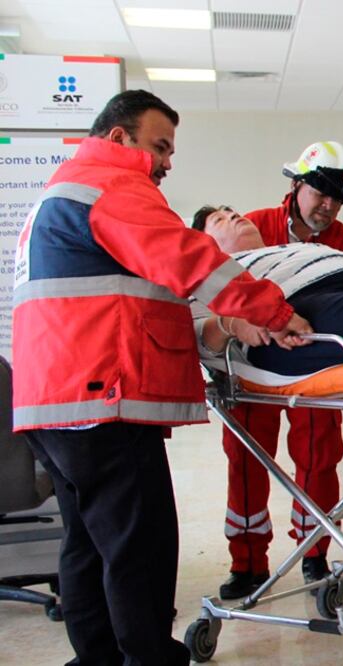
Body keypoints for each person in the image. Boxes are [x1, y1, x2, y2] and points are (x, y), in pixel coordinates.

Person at [11, 90, 310, 665]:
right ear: (119, 138)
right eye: (160, 146)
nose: (168, 161)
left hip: (54, 399)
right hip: (104, 394)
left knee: (86, 545)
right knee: (137, 547)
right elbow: (186, 257)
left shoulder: (59, 192)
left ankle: (95, 657)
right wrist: (271, 309)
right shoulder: (110, 184)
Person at [218, 140, 343, 600]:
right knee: (246, 458)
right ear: (296, 185)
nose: (329, 207)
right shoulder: (255, 225)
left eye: (338, 199)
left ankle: (315, 552)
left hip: (311, 362)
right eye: (320, 194)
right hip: (257, 361)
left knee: (320, 456)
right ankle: (248, 563)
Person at [192, 205, 343, 371]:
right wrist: (232, 324)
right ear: (204, 242)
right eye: (220, 219)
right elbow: (198, 336)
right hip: (294, 308)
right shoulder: (209, 276)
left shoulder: (287, 248)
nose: (233, 214)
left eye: (231, 210)